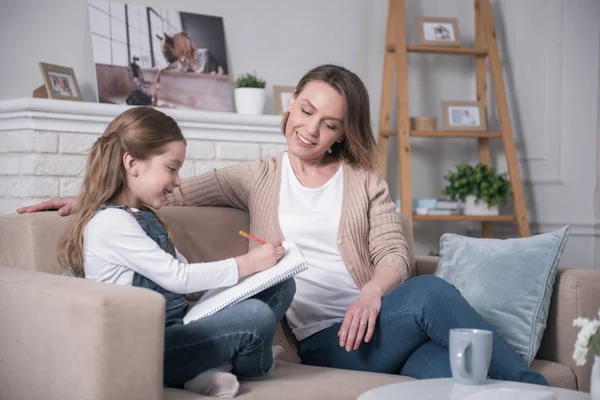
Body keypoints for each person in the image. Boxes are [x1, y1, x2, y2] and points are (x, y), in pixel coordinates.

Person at [18, 64, 547, 385]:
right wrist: (90, 194)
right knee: (432, 293)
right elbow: (174, 189)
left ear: (342, 134)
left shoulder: (365, 181)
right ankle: (535, 386)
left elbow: (394, 254)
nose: (311, 129)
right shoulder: (259, 176)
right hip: (324, 337)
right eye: (307, 110)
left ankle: (523, 390)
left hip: (380, 319)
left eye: (329, 124)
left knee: (447, 371)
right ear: (292, 104)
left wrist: (371, 293)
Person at [51, 107, 295, 397]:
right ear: (132, 163)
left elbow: (189, 285)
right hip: (148, 347)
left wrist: (248, 283)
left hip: (178, 331)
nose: (178, 180)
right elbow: (179, 277)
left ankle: (207, 367)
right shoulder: (110, 222)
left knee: (281, 285)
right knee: (256, 317)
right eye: (172, 168)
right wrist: (249, 262)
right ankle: (236, 364)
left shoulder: (144, 217)